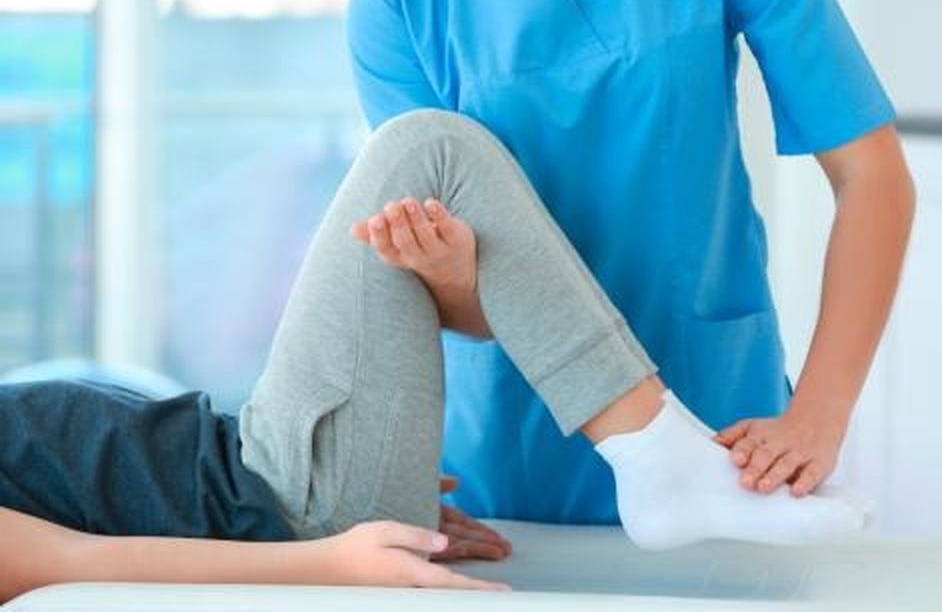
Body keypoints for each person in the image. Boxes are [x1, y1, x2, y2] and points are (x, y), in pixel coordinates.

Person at [1, 110, 867, 603]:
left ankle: (655, 452)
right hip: (273, 501)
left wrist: (372, 474)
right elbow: (76, 565)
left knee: (431, 164)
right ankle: (654, 454)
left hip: (259, 472)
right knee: (427, 153)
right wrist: (329, 559)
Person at [345, 0, 916, 524]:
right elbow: (453, 278)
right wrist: (449, 274)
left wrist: (821, 413)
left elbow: (872, 176)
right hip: (513, 451)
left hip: (719, 425)